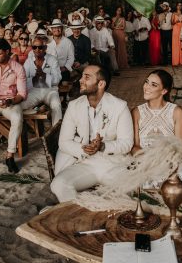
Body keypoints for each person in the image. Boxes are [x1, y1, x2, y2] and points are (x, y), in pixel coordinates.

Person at [50, 64, 134, 202]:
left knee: (127, 191)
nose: (80, 80)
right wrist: (84, 149)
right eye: (82, 76)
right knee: (59, 184)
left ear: (101, 84)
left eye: (86, 77)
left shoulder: (119, 106)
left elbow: (126, 143)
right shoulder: (74, 106)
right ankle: (78, 217)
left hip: (111, 163)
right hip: (84, 162)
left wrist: (102, 146)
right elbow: (64, 142)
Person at [131, 69, 182, 185]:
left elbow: (179, 147)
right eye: (146, 82)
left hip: (170, 161)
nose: (146, 87)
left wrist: (162, 160)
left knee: (165, 177)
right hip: (144, 161)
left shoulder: (176, 112)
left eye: (153, 85)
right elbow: (135, 146)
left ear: (164, 91)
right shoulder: (136, 112)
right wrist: (149, 159)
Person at [0, 38, 27, 172]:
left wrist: (10, 101)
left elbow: (22, 94)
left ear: (7, 51)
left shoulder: (18, 68)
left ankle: (10, 156)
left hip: (10, 102)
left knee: (17, 118)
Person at [22, 37, 62, 126]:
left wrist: (44, 76)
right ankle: (36, 114)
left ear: (45, 48)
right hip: (34, 90)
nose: (37, 50)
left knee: (56, 105)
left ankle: (57, 131)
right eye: (34, 47)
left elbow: (58, 78)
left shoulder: (52, 60)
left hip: (50, 90)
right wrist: (34, 79)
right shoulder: (28, 61)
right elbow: (23, 80)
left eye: (40, 47)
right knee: (20, 106)